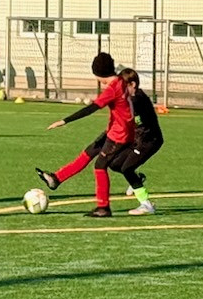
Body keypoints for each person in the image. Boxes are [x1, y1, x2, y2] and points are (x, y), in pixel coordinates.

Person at [37, 52, 135, 217]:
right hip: (115, 130)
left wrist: (65, 121)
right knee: (89, 152)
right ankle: (56, 178)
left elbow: (91, 109)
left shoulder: (112, 89)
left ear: (99, 74)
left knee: (100, 165)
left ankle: (103, 207)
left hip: (120, 135)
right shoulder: (121, 82)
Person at [107, 67, 165, 216]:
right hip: (136, 140)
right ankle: (137, 179)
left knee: (127, 168)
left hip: (149, 141)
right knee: (113, 163)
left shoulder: (137, 98)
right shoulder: (129, 98)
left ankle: (146, 204)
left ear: (133, 84)